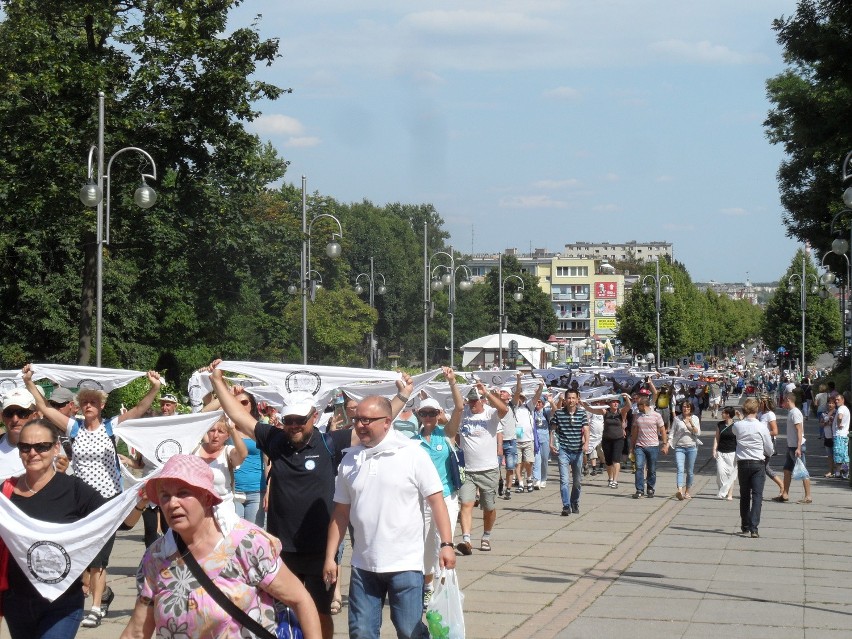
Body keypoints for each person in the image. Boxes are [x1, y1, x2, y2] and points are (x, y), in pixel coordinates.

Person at [208, 360, 412, 638]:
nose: (293, 426)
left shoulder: (331, 443)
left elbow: (370, 426)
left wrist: (401, 396)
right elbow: (239, 416)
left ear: (314, 417)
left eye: (299, 421)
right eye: (289, 420)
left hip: (319, 551)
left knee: (320, 612)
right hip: (281, 548)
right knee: (279, 612)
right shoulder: (275, 439)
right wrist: (217, 381)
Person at [119, 454, 321, 639]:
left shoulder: (247, 545)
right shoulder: (157, 558)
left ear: (206, 498)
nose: (173, 504)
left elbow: (300, 600)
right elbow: (137, 630)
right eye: (165, 495)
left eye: (183, 493)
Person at [23, 365, 162, 629]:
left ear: (101, 405)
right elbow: (46, 408)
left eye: (93, 402)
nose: (88, 406)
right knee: (84, 556)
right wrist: (30, 383)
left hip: (108, 501)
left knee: (99, 557)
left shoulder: (110, 427)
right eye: (84, 402)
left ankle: (96, 607)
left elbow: (138, 410)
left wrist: (154, 387)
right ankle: (105, 594)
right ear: (79, 405)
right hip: (80, 500)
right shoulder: (74, 428)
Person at [323, 395, 456, 639]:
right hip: (364, 565)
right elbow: (341, 513)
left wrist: (446, 544)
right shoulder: (350, 459)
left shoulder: (412, 454)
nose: (360, 425)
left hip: (405, 564)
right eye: (357, 420)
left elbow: (437, 501)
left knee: (409, 630)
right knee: (361, 632)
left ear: (386, 421)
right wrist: (331, 556)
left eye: (366, 420)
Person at [2, 419, 147, 639]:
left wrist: (141, 500)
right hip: (17, 600)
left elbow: (123, 522)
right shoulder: (5, 492)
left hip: (62, 603)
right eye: (25, 447)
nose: (33, 452)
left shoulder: (74, 490)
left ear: (56, 448)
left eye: (41, 446)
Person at [414, 385, 461, 611]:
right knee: (425, 543)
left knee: (445, 540)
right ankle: (428, 587)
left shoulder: (447, 434)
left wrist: (452, 383)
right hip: (423, 499)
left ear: (439, 414)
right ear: (419, 416)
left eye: (433, 413)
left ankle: (445, 587)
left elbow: (460, 407)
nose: (429, 417)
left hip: (447, 496)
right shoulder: (413, 442)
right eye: (424, 413)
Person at [454, 382, 508, 554]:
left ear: (483, 400)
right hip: (468, 470)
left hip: (488, 469)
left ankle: (486, 536)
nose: (472, 404)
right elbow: (454, 431)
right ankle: (466, 540)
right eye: (470, 401)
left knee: (489, 507)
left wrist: (487, 392)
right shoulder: (463, 415)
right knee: (466, 504)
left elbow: (504, 410)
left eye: (475, 400)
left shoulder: (490, 414)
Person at [193, 416, 248, 523]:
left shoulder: (228, 451)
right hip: (197, 509)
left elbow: (243, 454)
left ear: (227, 436)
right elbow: (202, 413)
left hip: (223, 512)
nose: (215, 435)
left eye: (221, 432)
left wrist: (232, 429)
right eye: (212, 430)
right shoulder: (195, 449)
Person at [733, 398, 774, 538]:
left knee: (744, 495)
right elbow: (769, 447)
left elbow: (735, 434)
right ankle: (754, 527)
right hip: (758, 463)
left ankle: (745, 524)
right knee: (757, 496)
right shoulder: (761, 426)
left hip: (743, 462)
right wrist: (768, 454)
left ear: (744, 410)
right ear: (756, 410)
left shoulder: (738, 425)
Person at [549, 388, 589, 515]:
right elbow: (553, 429)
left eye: (573, 398)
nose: (571, 400)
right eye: (569, 398)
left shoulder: (582, 413)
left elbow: (586, 429)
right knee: (564, 479)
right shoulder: (559, 413)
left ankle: (574, 501)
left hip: (577, 451)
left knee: (577, 481)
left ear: (577, 399)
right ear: (565, 400)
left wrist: (586, 443)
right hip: (564, 450)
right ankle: (566, 506)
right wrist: (551, 443)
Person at [581, 394, 630, 489]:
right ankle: (610, 478)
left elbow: (628, 406)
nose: (615, 404)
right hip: (607, 439)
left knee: (616, 460)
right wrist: (583, 404)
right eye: (613, 402)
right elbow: (592, 410)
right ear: (609, 404)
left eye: (617, 402)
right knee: (608, 461)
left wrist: (626, 398)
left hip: (618, 439)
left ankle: (615, 480)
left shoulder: (621, 412)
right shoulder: (605, 412)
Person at [774, 394, 812, 504]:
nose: (782, 403)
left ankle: (808, 496)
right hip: (791, 446)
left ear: (788, 400)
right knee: (786, 469)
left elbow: (799, 430)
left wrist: (799, 447)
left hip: (796, 447)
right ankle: (785, 494)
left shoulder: (795, 413)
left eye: (783, 401)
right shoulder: (791, 412)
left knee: (803, 470)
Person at [629, 397, 668, 499]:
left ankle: (650, 488)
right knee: (639, 467)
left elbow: (663, 430)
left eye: (639, 405)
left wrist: (664, 444)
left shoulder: (656, 416)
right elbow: (634, 432)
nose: (637, 407)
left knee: (652, 469)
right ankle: (639, 490)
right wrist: (631, 447)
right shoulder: (637, 416)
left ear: (645, 405)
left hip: (653, 446)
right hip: (640, 446)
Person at [671, 401, 701, 500]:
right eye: (684, 407)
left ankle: (687, 491)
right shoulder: (677, 419)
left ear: (691, 408)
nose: (685, 409)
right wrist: (667, 444)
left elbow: (698, 433)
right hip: (680, 447)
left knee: (689, 471)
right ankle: (679, 491)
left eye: (688, 407)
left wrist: (690, 422)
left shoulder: (695, 418)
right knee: (680, 468)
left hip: (692, 447)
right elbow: (672, 433)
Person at [757, 394, 785, 498]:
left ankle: (782, 486)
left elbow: (775, 431)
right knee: (763, 467)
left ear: (764, 403)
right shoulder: (760, 414)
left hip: (768, 443)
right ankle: (758, 490)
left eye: (760, 402)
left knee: (764, 467)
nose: (758, 404)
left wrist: (763, 433)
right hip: (760, 443)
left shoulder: (770, 414)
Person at [712, 407, 738, 500]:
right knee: (720, 472)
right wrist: (714, 449)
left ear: (728, 414)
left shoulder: (736, 425)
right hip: (721, 452)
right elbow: (716, 437)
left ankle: (729, 494)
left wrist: (740, 416)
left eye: (723, 413)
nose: (721, 414)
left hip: (732, 452)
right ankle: (723, 490)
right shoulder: (720, 424)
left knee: (731, 474)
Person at [832, 391, 850, 480]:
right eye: (835, 400)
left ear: (843, 400)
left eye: (838, 400)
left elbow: (840, 417)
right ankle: (843, 472)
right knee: (843, 454)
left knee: (839, 454)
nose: (836, 401)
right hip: (843, 434)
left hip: (839, 435)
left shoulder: (841, 409)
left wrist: (838, 424)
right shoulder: (845, 408)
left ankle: (840, 472)